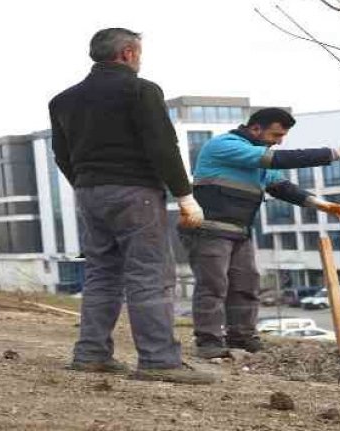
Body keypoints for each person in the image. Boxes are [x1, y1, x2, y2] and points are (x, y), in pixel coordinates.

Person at [49, 28, 214, 384]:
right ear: (127, 53)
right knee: (149, 274)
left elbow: (61, 155)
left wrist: (86, 185)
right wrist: (185, 196)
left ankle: (91, 355)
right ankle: (158, 361)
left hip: (89, 193)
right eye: (139, 52)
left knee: (101, 274)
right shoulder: (141, 90)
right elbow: (162, 146)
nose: (140, 59)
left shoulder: (62, 100)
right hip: (136, 193)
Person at [181, 107, 340, 358]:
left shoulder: (257, 159)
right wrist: (336, 154)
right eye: (276, 135)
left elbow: (280, 186)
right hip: (210, 231)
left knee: (246, 285)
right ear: (255, 128)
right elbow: (276, 160)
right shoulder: (224, 145)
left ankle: (242, 337)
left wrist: (319, 204)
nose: (278, 142)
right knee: (213, 286)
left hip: (240, 232)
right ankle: (209, 342)